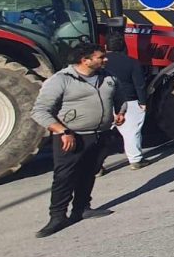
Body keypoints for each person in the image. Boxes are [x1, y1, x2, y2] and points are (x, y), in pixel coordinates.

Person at [31, 42, 124, 238]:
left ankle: (82, 208)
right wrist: (62, 131)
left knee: (89, 173)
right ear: (85, 60)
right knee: (64, 177)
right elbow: (39, 111)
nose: (105, 59)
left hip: (100, 135)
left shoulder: (107, 77)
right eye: (101, 57)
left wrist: (120, 112)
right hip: (72, 137)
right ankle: (57, 216)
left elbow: (119, 97)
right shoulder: (61, 80)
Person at [105, 33, 150, 170]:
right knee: (131, 132)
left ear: (106, 47)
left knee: (100, 135)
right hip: (128, 99)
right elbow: (139, 84)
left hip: (105, 101)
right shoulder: (131, 62)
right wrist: (143, 101)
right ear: (124, 46)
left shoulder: (101, 62)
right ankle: (135, 160)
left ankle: (96, 167)